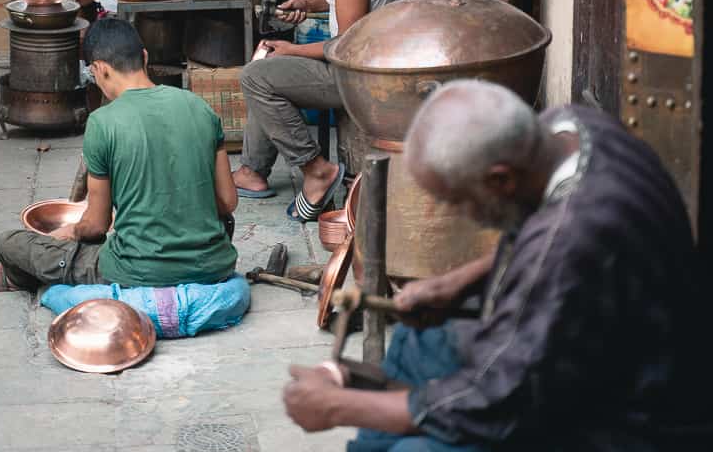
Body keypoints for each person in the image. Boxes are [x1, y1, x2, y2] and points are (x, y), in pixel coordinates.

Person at [283, 80, 713, 451]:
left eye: (461, 202)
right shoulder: (573, 128)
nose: (464, 215)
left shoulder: (571, 244)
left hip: (628, 417)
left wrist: (337, 406)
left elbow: (494, 399)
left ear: (502, 180)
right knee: (419, 345)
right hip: (591, 347)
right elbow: (542, 230)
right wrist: (460, 281)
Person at [0, 18, 238, 292]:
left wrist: (71, 232)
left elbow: (97, 225)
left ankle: (19, 278)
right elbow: (227, 202)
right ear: (145, 57)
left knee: (9, 243)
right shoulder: (199, 107)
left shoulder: (102, 122)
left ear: (99, 69)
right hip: (213, 265)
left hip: (136, 269)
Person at [233, 0, 404, 221]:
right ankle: (252, 171)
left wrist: (292, 50)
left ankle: (316, 170)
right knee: (265, 60)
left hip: (360, 78)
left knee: (256, 76)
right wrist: (307, 4)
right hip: (365, 60)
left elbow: (347, 47)